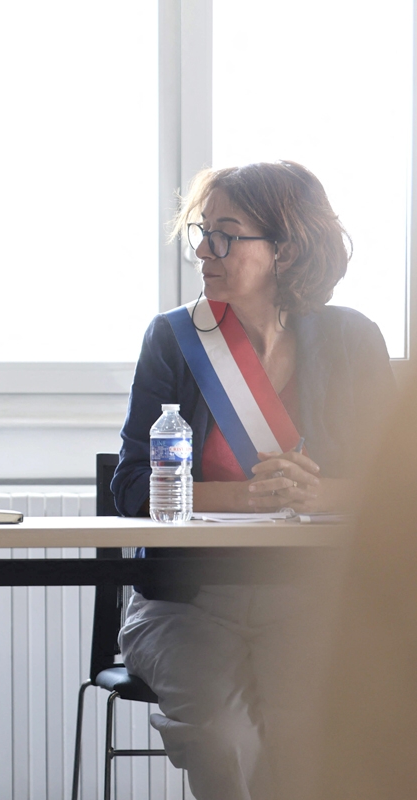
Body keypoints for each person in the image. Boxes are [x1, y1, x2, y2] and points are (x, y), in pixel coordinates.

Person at [112, 161, 395, 799]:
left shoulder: (352, 340)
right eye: (202, 232)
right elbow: (131, 488)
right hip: (185, 602)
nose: (203, 251)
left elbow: (394, 486)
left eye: (225, 235)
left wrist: (319, 493)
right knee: (223, 735)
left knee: (305, 738)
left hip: (311, 599)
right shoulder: (174, 339)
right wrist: (249, 495)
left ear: (284, 250)